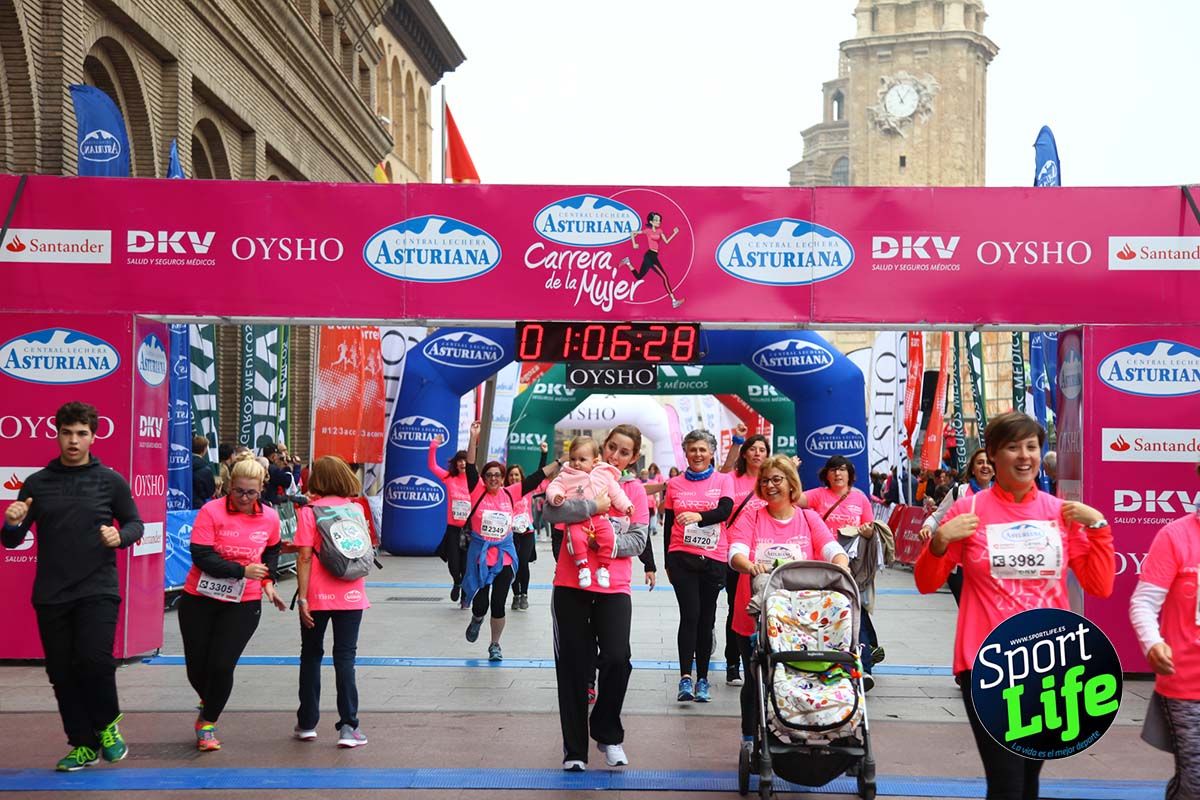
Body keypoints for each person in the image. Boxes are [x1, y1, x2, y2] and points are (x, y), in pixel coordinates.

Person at [915, 412, 1114, 800]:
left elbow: (1100, 585)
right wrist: (939, 542)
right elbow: (926, 583)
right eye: (1012, 447)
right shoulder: (967, 511)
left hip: (1049, 664)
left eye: (1032, 447)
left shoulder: (1062, 513)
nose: (1025, 456)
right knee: (1006, 782)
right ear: (991, 454)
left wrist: (1100, 527)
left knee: (1027, 783)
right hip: (987, 663)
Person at [1, 401, 143, 771]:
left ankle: (108, 725)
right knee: (61, 673)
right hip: (51, 594)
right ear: (58, 435)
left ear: (93, 437)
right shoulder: (37, 483)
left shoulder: (110, 481)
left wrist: (120, 536)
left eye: (81, 433)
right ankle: (82, 744)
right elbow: (12, 541)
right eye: (67, 433)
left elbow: (134, 524)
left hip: (98, 589)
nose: (74, 441)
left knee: (95, 661)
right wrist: (11, 522)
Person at [543, 424, 655, 771]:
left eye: (624, 452)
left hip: (614, 587)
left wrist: (603, 544)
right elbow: (551, 513)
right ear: (601, 447)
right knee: (574, 669)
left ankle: (607, 732)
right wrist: (593, 505)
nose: (615, 456)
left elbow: (638, 540)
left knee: (617, 659)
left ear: (633, 458)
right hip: (571, 586)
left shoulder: (634, 491)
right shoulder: (573, 476)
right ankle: (575, 750)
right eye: (611, 448)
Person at [728, 455, 848, 745]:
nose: (770, 485)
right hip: (756, 614)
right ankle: (750, 737)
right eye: (765, 480)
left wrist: (842, 565)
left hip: (801, 621)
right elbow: (735, 552)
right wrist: (750, 565)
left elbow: (831, 548)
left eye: (777, 479)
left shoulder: (808, 518)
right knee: (756, 678)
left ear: (791, 484)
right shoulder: (752, 516)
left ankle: (797, 726)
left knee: (795, 676)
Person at [180, 452, 287, 752]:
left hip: (244, 601)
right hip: (199, 598)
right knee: (197, 668)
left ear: (262, 488)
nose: (243, 497)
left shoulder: (269, 517)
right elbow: (202, 556)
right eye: (238, 490)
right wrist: (241, 569)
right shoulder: (211, 512)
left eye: (251, 492)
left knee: (222, 664)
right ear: (228, 485)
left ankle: (207, 723)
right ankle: (208, 697)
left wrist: (268, 582)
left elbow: (272, 551)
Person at [1129, 461, 1200, 797]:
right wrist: (1153, 644)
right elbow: (1143, 603)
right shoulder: (1176, 535)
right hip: (1188, 684)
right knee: (1195, 783)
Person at [461, 422, 559, 661]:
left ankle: (495, 644)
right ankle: (476, 619)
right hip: (480, 556)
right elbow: (471, 466)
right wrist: (473, 438)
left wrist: (559, 463)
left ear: (503, 479)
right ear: (484, 478)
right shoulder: (477, 490)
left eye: (498, 475)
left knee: (498, 604)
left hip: (504, 556)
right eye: (489, 475)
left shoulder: (510, 493)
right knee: (481, 604)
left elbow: (536, 478)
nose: (494, 478)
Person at [292, 455, 371, 748]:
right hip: (352, 594)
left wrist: (302, 599)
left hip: (316, 596)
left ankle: (307, 723)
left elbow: (303, 556)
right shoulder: (355, 509)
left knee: (311, 655)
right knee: (345, 658)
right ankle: (348, 726)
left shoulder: (309, 512)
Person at [662, 429, 734, 703]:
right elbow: (669, 524)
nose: (698, 454)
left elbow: (724, 512)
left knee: (707, 619)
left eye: (703, 449)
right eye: (693, 449)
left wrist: (699, 517)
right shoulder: (675, 484)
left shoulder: (723, 480)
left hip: (714, 558)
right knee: (689, 616)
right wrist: (667, 561)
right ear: (686, 452)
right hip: (682, 556)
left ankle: (703, 678)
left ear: (712, 452)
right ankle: (685, 678)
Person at [806, 455, 881, 683]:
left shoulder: (860, 498)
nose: (838, 474)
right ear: (826, 474)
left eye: (842, 470)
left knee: (857, 614)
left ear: (850, 474)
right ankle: (827, 661)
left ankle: (864, 667)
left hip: (851, 568)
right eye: (833, 470)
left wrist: (867, 532)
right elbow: (792, 498)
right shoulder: (817, 495)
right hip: (821, 567)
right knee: (825, 614)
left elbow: (870, 529)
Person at [717, 422, 771, 686]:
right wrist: (738, 439)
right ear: (746, 454)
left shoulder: (770, 482)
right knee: (734, 610)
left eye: (763, 449)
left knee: (763, 610)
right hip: (733, 554)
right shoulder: (732, 478)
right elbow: (724, 469)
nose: (758, 453)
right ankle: (732, 664)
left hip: (763, 559)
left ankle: (762, 659)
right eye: (753, 449)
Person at [547, 436, 634, 590]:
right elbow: (554, 487)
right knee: (575, 538)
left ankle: (603, 567)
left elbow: (616, 493)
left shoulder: (603, 474)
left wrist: (626, 506)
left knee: (608, 536)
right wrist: (556, 497)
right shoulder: (567, 475)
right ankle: (583, 567)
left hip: (600, 519)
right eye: (573, 459)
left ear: (594, 461)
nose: (576, 463)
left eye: (582, 459)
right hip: (577, 521)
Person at [919, 448, 994, 605]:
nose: (985, 466)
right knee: (970, 608)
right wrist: (927, 528)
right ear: (972, 469)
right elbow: (937, 516)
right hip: (960, 568)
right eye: (980, 463)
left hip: (990, 566)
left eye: (989, 463)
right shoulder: (959, 492)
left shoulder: (1001, 494)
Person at [428, 426, 479, 607]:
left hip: (469, 529)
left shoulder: (475, 481)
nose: (462, 464)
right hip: (452, 528)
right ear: (455, 463)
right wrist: (434, 444)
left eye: (465, 461)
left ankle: (465, 595)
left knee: (466, 565)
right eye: (459, 461)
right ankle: (456, 582)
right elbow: (432, 466)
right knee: (453, 564)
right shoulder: (449, 478)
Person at [508, 443, 548, 611]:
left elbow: (540, 475)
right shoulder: (505, 491)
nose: (514, 478)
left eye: (517, 475)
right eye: (511, 475)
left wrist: (543, 454)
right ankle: (515, 595)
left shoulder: (527, 490)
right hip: (510, 535)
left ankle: (524, 594)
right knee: (512, 565)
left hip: (527, 533)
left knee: (523, 562)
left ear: (521, 477)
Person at [619, 210, 685, 308]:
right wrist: (634, 244)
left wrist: (674, 233)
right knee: (665, 277)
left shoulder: (660, 231)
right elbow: (633, 233)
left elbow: (666, 241)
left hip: (653, 256)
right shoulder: (647, 231)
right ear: (651, 222)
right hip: (650, 256)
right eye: (656, 220)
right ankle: (673, 301)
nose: (659, 222)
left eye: (659, 220)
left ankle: (628, 262)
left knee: (639, 277)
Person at [192, 435, 216, 509]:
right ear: (205, 449)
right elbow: (210, 491)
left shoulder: (182, 463)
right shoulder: (205, 468)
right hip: (198, 505)